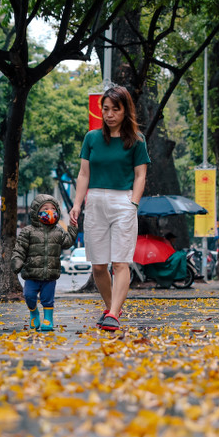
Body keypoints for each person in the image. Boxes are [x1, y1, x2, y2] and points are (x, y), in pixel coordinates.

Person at [68, 85, 149, 331]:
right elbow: (83, 174)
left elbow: (140, 175)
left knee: (120, 262)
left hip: (123, 201)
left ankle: (113, 314)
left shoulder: (136, 139)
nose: (110, 114)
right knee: (99, 265)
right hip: (95, 203)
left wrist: (133, 203)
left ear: (126, 110)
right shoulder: (91, 138)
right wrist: (77, 204)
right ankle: (111, 308)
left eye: (116, 109)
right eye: (106, 109)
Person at [11, 194, 78, 332]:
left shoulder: (58, 232)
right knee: (29, 296)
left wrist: (72, 228)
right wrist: (17, 261)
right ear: (36, 211)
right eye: (45, 208)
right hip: (31, 273)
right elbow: (20, 248)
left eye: (53, 208)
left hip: (50, 274)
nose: (49, 211)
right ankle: (34, 312)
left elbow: (68, 242)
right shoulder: (27, 231)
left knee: (48, 299)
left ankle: (48, 319)